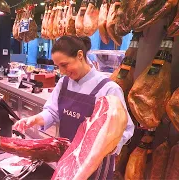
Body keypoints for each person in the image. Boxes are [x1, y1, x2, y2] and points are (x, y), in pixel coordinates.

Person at [13, 36, 134, 179]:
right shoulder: (64, 83)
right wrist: (34, 119)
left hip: (95, 166)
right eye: (58, 66)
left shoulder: (108, 88)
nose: (62, 71)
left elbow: (126, 128)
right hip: (67, 158)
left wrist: (107, 147)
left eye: (65, 65)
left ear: (80, 55)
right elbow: (52, 112)